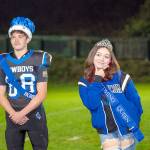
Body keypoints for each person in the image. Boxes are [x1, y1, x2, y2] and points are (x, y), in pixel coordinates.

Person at [78, 39, 144, 150]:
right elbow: (92, 104)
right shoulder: (84, 82)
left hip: (127, 128)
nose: (101, 59)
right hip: (106, 131)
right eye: (98, 54)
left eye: (106, 56)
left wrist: (134, 119)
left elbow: (135, 100)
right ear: (92, 56)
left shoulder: (121, 77)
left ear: (110, 60)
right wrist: (97, 79)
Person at [0, 16, 52, 150]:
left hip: (34, 114)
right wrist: (13, 113)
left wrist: (21, 113)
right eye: (13, 37)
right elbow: (0, 94)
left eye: (20, 36)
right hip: (12, 116)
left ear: (28, 38)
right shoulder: (3, 60)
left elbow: (42, 94)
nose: (16, 40)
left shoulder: (38, 58)